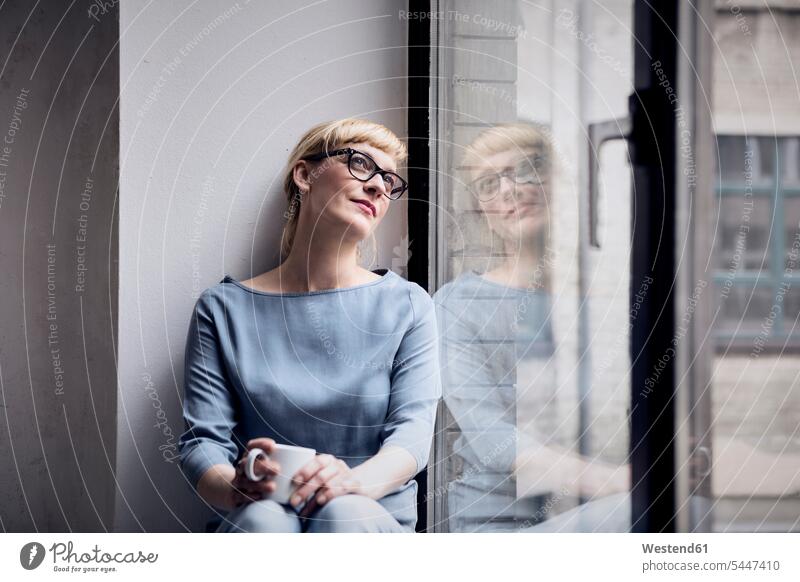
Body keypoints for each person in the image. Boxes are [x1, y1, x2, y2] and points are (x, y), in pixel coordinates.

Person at [178, 119, 441, 533]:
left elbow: (411, 436)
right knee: (263, 521)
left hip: (369, 514)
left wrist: (352, 482)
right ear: (305, 175)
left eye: (389, 182)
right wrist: (237, 487)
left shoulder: (407, 306)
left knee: (344, 511)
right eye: (360, 164)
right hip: (261, 512)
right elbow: (202, 443)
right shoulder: (222, 309)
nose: (378, 187)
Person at [433, 123, 630, 532]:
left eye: (524, 170)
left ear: (555, 183)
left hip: (600, 504)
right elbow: (494, 440)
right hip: (502, 524)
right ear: (481, 212)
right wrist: (626, 483)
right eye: (489, 184)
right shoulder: (459, 305)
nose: (508, 189)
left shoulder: (600, 295)